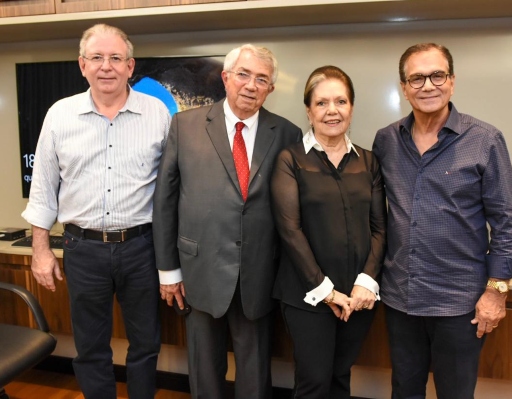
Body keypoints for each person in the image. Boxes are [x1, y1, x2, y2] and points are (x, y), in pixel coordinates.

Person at [21, 24, 171, 399]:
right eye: (97, 58)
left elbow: (173, 188)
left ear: (130, 66)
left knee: (145, 344)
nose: (107, 66)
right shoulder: (60, 115)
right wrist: (41, 250)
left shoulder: (158, 113)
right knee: (90, 348)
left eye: (116, 58)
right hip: (82, 249)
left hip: (142, 248)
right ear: (82, 65)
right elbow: (42, 188)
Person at [372, 43, 512, 399]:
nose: (428, 85)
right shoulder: (386, 141)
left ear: (452, 82)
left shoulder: (485, 140)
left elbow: (505, 221)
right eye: (417, 78)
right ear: (404, 87)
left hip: (459, 303)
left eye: (437, 75)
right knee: (404, 389)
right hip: (400, 299)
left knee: (455, 393)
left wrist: (496, 291)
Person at [152, 43, 302, 399]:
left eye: (262, 79)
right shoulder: (184, 126)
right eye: (244, 74)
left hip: (260, 273)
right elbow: (165, 200)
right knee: (205, 372)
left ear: (271, 89)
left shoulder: (287, 133)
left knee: (255, 371)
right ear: (226, 78)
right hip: (198, 269)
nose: (251, 85)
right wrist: (168, 272)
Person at [270, 65, 387, 398]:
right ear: (308, 111)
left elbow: (380, 228)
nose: (332, 110)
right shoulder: (290, 159)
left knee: (339, 377)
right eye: (321, 103)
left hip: (358, 295)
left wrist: (367, 282)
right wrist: (325, 290)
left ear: (351, 108)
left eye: (341, 101)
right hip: (308, 296)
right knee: (314, 383)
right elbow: (289, 230)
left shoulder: (368, 161)